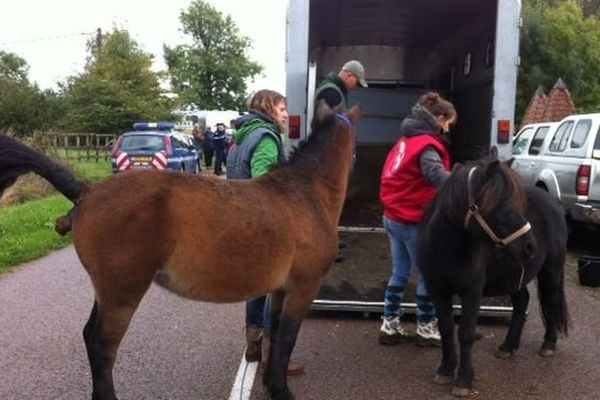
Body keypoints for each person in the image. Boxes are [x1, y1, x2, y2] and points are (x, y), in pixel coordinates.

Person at [226, 89, 304, 375]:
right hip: (260, 223)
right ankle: (273, 354)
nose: (285, 114)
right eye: (282, 109)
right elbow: (262, 183)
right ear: (269, 108)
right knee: (277, 285)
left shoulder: (244, 135)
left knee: (256, 285)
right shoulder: (267, 138)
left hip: (239, 216)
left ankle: (253, 344)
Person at [378, 92, 457, 347]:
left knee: (399, 272)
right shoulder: (427, 144)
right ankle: (425, 327)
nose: (447, 130)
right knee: (427, 274)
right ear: (440, 118)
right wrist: (461, 180)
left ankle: (389, 325)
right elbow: (434, 174)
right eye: (448, 124)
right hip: (413, 219)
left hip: (392, 215)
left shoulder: (405, 140)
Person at [314, 59, 368, 262]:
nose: (356, 87)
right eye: (356, 82)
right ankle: (325, 243)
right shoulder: (332, 93)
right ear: (347, 75)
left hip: (327, 153)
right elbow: (333, 127)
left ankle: (330, 238)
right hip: (329, 154)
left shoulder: (334, 90)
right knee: (328, 200)